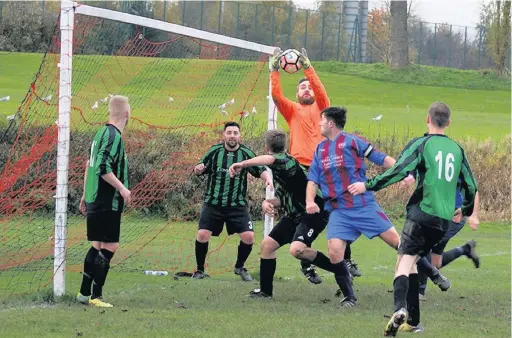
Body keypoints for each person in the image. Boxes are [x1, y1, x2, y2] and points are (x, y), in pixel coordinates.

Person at [348, 102, 478, 335]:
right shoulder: (457, 149)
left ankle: (399, 310)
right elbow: (471, 185)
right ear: (448, 122)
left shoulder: (422, 144)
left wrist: (367, 186)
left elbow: (398, 170)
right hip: (443, 221)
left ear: (427, 119)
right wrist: (466, 210)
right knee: (416, 260)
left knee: (403, 264)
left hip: (421, 214)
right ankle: (415, 322)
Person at [270, 47, 361, 282]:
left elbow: (322, 93)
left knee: (338, 209)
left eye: (308, 86)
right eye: (302, 86)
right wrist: (274, 70)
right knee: (303, 214)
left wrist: (309, 69)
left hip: (324, 168)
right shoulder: (292, 110)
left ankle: (346, 258)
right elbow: (277, 97)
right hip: (299, 169)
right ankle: (307, 262)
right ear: (297, 92)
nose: (307, 89)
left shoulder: (323, 111)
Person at [306, 106, 400, 307]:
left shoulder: (352, 141)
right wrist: (309, 201)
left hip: (363, 205)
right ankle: (350, 297)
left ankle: (432, 273)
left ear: (330, 123)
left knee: (398, 244)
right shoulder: (320, 149)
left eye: (322, 121)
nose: (319, 124)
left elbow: (381, 158)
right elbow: (312, 180)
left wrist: (403, 171)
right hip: (339, 210)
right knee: (334, 251)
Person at [229, 130, 339, 298]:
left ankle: (340, 268)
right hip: (294, 216)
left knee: (297, 250)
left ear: (266, 147)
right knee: (267, 246)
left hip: (313, 214)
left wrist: (242, 164)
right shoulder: (282, 171)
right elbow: (282, 198)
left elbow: (270, 159)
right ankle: (266, 292)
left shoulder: (286, 162)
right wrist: (267, 203)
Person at [192, 122, 273, 281]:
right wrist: (198, 169)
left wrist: (268, 179)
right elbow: (199, 168)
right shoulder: (214, 152)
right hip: (213, 203)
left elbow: (260, 169)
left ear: (239, 135)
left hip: (237, 206)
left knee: (248, 237)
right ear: (224, 135)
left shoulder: (246, 153)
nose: (232, 136)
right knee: (202, 235)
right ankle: (200, 270)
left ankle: (239, 267)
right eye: (229, 132)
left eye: (235, 133)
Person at [77, 95, 132, 308]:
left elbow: (89, 165)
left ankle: (83, 293)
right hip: (106, 200)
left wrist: (84, 194)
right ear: (127, 114)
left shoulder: (100, 133)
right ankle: (96, 296)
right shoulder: (113, 135)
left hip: (94, 197)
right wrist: (122, 188)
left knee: (97, 244)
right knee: (109, 245)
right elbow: (101, 167)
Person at [402, 174, 481, 298]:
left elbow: (473, 189)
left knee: (423, 247)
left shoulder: (456, 162)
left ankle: (419, 291)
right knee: (435, 263)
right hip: (434, 213)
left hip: (454, 215)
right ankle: (465, 249)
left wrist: (474, 214)